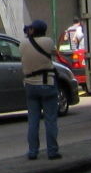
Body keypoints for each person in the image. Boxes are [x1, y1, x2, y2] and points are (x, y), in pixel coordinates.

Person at [21, 19, 62, 161]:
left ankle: (33, 151)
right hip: (47, 83)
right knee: (50, 119)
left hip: (30, 85)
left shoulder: (23, 44)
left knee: (33, 120)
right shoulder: (48, 41)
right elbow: (54, 53)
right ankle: (52, 151)